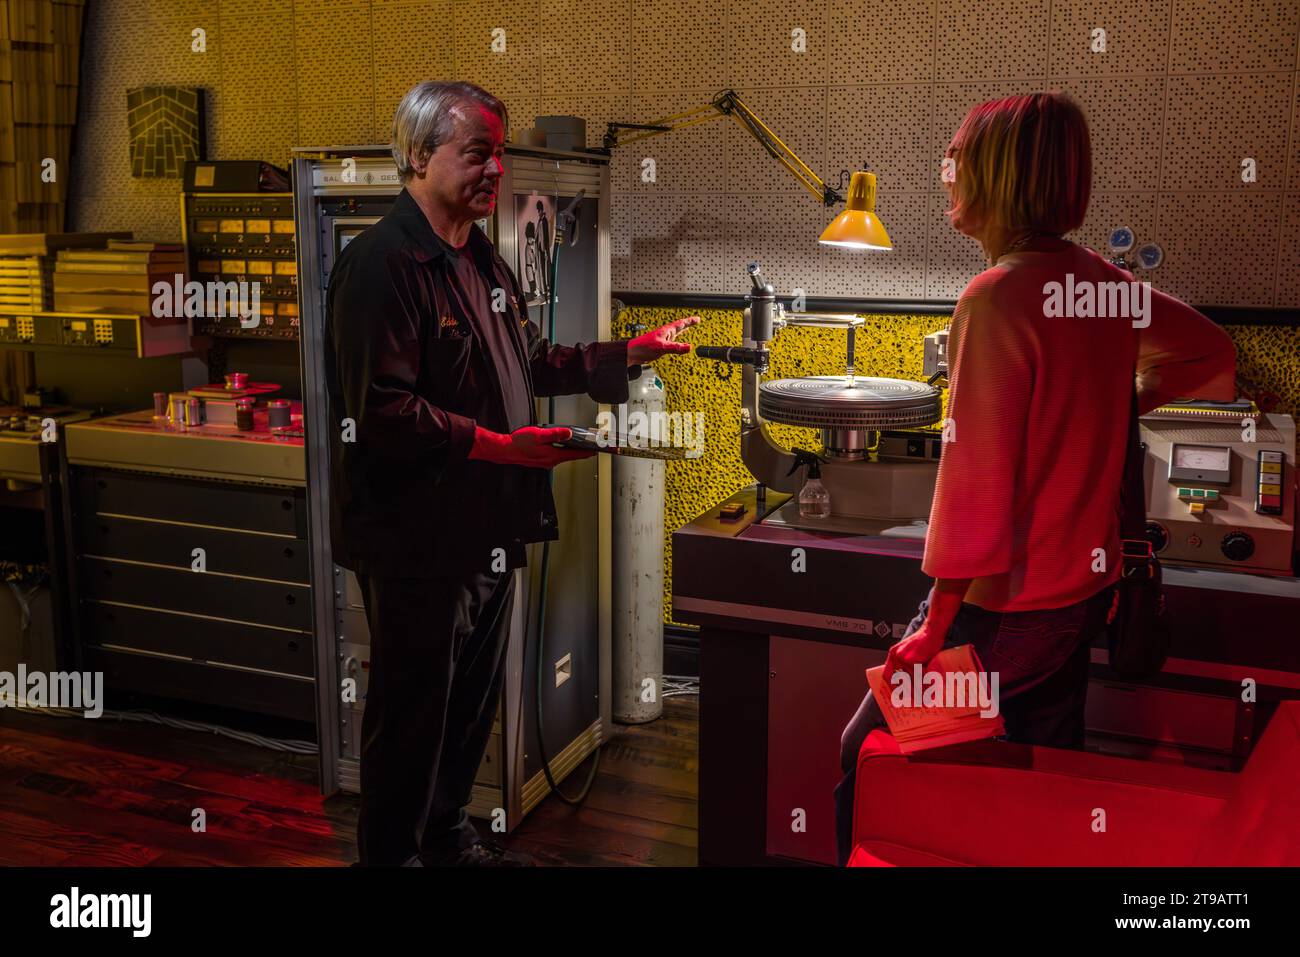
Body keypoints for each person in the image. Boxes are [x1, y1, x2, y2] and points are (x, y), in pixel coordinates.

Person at [833, 92, 1236, 866]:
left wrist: (934, 626)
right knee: (1040, 786)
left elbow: (975, 490)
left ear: (998, 175)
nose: (944, 173)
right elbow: (1213, 356)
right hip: (1076, 606)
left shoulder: (995, 298)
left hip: (1000, 613)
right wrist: (1116, 406)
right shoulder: (1101, 285)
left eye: (955, 158)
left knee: (868, 755)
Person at [325, 80, 699, 867]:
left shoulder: (479, 257)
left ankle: (449, 836)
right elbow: (383, 412)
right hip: (414, 541)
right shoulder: (380, 266)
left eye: (499, 151)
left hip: (488, 527)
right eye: (479, 152)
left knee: (468, 704)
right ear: (421, 155)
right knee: (413, 712)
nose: (496, 168)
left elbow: (529, 359)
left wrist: (629, 353)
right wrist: (503, 447)